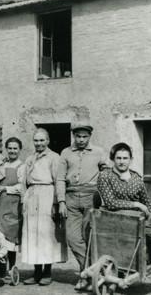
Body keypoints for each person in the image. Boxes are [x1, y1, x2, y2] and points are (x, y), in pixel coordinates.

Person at [56, 123, 109, 291]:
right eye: (78, 136)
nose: (81, 140)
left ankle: (86, 275)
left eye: (84, 137)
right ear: (74, 136)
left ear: (89, 136)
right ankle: (91, 272)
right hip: (71, 198)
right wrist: (61, 201)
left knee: (89, 238)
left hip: (91, 198)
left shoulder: (99, 152)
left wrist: (104, 194)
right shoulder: (65, 152)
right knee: (72, 238)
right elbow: (59, 178)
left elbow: (107, 172)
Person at [98, 142, 151, 263]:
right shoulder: (105, 176)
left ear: (130, 159)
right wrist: (136, 204)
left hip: (140, 220)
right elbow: (111, 203)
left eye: (125, 158)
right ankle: (145, 259)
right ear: (112, 159)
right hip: (118, 221)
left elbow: (147, 201)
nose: (122, 161)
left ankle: (149, 257)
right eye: (118, 158)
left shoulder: (136, 178)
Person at [21, 128, 67, 286]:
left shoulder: (55, 157)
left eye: (42, 140)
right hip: (32, 196)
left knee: (45, 235)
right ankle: (36, 272)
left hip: (47, 194)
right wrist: (23, 201)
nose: (39, 143)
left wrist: (56, 202)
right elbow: (24, 183)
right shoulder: (29, 158)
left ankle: (47, 271)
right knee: (32, 234)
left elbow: (58, 180)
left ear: (48, 141)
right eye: (36, 140)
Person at [0, 137, 24, 271]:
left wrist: (5, 189)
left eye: (15, 148)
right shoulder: (2, 164)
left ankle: (11, 268)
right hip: (0, 202)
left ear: (20, 150)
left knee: (10, 236)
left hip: (13, 203)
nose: (12, 151)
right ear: (6, 149)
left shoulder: (22, 166)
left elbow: (22, 187)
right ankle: (0, 269)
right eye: (10, 148)